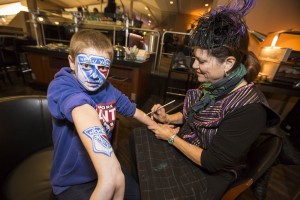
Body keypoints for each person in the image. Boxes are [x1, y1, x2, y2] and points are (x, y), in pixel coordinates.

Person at [131, 0, 280, 199]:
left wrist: (171, 137)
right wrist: (168, 119)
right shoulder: (214, 83)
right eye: (195, 58)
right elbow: (194, 115)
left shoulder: (251, 110)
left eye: (201, 61)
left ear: (228, 63)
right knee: (139, 136)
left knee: (152, 176)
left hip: (209, 174)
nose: (194, 65)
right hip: (191, 148)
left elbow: (212, 162)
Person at [47, 29, 157, 200]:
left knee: (135, 194)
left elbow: (133, 111)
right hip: (71, 181)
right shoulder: (62, 85)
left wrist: (156, 125)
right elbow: (82, 108)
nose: (94, 75)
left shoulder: (107, 89)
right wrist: (109, 170)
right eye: (86, 65)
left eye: (102, 67)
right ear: (71, 62)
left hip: (103, 169)